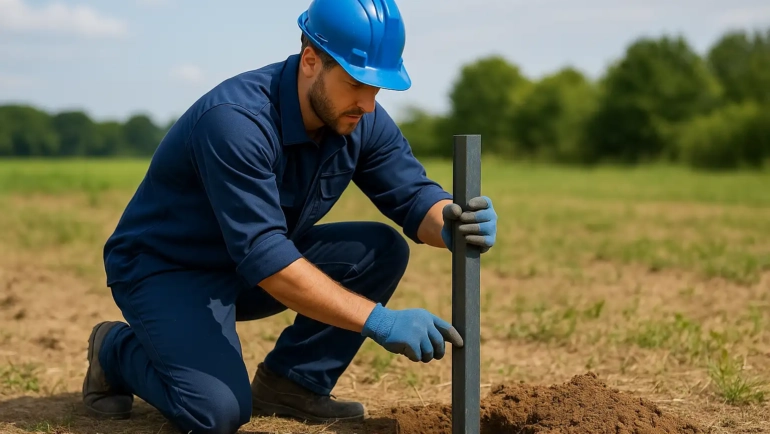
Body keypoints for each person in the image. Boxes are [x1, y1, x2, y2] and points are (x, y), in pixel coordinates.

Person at [81, 0, 498, 433]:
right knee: (214, 414)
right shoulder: (236, 122)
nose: (369, 104)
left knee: (381, 249)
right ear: (311, 60)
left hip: (246, 267)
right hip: (167, 270)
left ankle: (294, 383)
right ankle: (114, 348)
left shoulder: (358, 118)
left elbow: (413, 195)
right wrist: (379, 320)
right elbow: (266, 257)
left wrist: (450, 220)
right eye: (357, 82)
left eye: (378, 88)